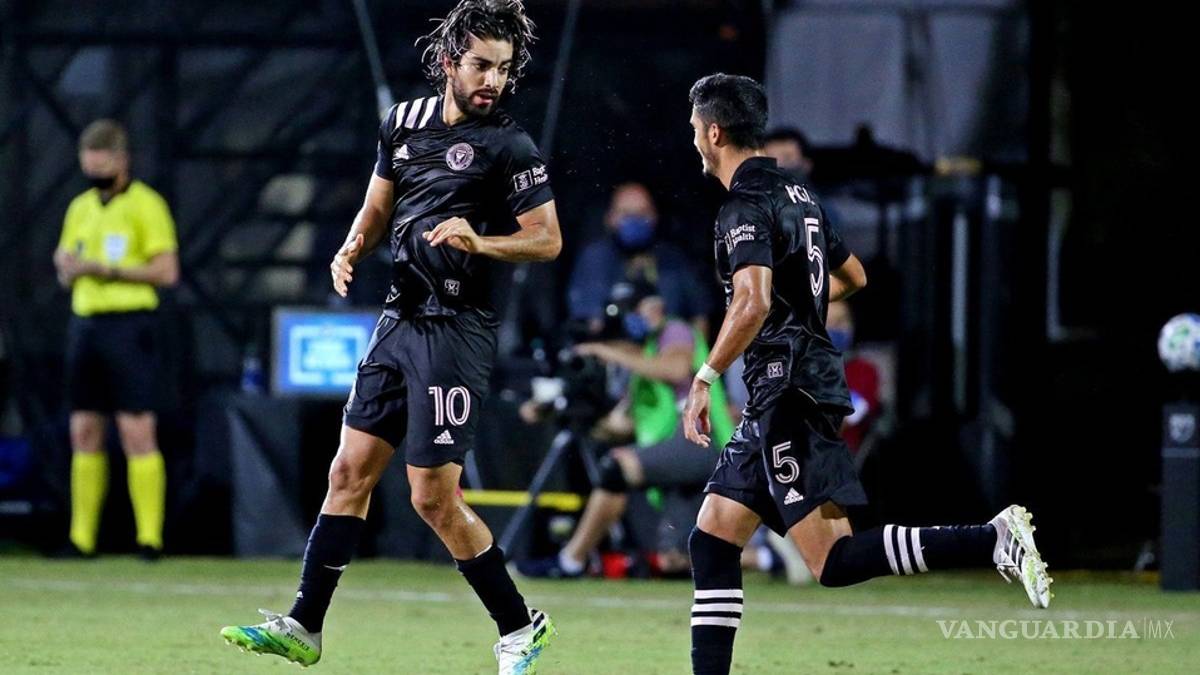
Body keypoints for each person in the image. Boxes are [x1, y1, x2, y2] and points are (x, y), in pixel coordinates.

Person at [220, 2, 561, 671]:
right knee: (347, 472)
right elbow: (377, 208)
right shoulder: (401, 122)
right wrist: (352, 245)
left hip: (456, 329)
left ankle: (521, 628)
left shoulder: (510, 145)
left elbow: (547, 239)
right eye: (481, 65)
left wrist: (482, 241)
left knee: (431, 496)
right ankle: (304, 625)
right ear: (449, 61)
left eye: (503, 69)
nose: (493, 80)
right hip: (397, 319)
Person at [679, 74, 1052, 675]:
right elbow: (853, 276)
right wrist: (801, 304)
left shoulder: (743, 204)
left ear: (714, 132)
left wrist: (704, 377)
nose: (694, 138)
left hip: (789, 391)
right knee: (714, 537)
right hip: (790, 387)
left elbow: (750, 302)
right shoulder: (798, 196)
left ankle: (992, 539)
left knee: (833, 562)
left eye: (696, 127)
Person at [516, 281, 734, 578]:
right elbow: (623, 426)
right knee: (675, 561)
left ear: (656, 306)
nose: (632, 318)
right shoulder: (645, 360)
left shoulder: (675, 330)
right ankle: (770, 559)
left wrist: (608, 352)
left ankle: (571, 561)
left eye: (635, 309)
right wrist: (561, 409)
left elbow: (674, 369)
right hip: (680, 452)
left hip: (705, 441)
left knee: (616, 467)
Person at [53, 119, 179, 560]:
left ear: (121, 161)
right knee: (84, 429)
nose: (95, 176)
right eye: (89, 168)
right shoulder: (80, 208)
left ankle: (149, 539)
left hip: (130, 325)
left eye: (102, 168)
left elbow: (166, 271)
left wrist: (106, 270)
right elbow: (66, 267)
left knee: (136, 430)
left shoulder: (147, 205)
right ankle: (81, 539)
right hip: (85, 324)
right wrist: (66, 267)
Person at [567, 182, 713, 335]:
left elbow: (700, 314)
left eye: (642, 212)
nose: (634, 220)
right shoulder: (595, 258)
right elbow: (588, 320)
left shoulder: (674, 258)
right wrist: (623, 322)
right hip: (612, 345)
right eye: (626, 213)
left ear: (655, 215)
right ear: (609, 218)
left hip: (667, 345)